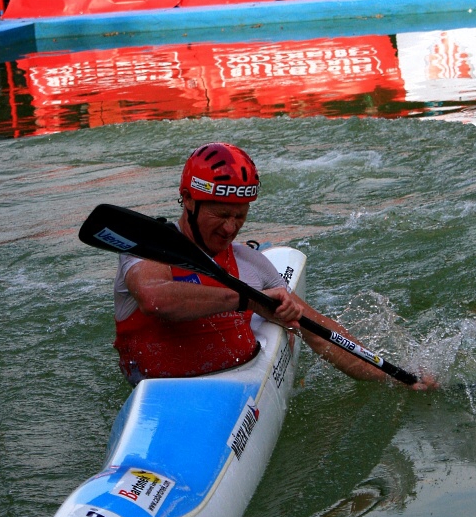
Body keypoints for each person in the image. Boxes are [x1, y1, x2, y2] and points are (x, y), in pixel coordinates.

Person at [113, 143, 435, 388]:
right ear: (188, 200)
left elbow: (318, 332)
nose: (230, 228)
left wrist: (397, 379)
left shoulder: (249, 263)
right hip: (154, 394)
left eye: (240, 216)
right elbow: (156, 301)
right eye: (221, 215)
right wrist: (248, 300)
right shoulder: (146, 250)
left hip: (231, 390)